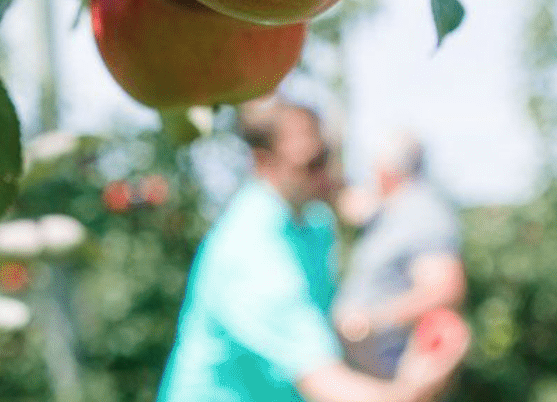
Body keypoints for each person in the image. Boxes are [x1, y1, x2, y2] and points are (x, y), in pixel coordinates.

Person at [157, 101, 466, 402]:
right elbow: (322, 381)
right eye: (313, 164)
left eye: (328, 156)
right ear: (263, 163)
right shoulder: (252, 253)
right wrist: (409, 391)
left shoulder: (313, 221)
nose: (328, 174)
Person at [333, 131, 466, 378]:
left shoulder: (424, 214)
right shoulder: (392, 209)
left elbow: (444, 288)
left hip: (393, 374)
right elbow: (352, 207)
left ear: (385, 170)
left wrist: (371, 321)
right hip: (368, 370)